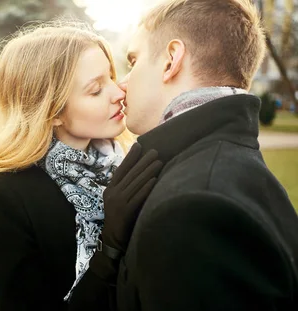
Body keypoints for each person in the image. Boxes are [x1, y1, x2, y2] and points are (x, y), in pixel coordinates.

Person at [82, 0, 298, 310]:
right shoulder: (233, 165)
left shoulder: (193, 209)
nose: (122, 85)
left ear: (171, 59)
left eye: (134, 60)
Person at [0, 21, 162, 310]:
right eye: (96, 89)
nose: (118, 91)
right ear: (53, 111)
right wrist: (109, 244)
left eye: (111, 77)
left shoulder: (126, 166)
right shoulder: (6, 195)